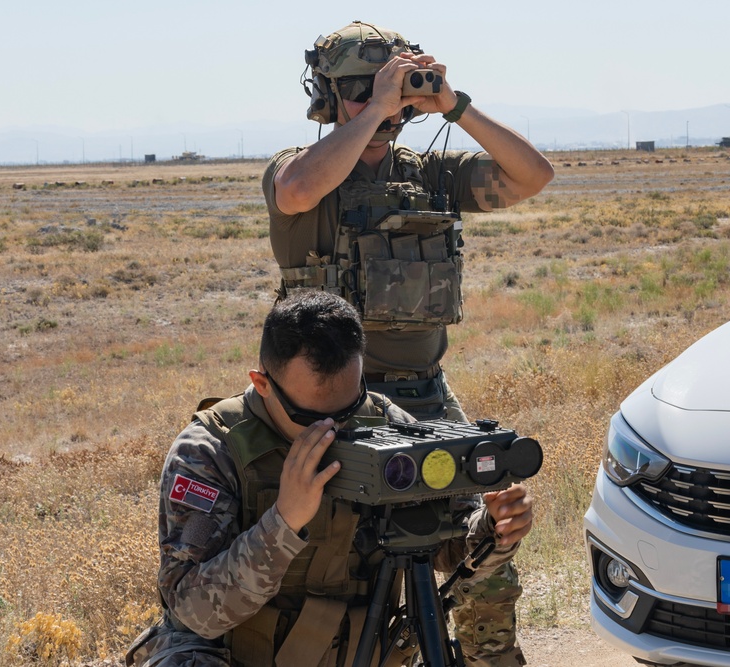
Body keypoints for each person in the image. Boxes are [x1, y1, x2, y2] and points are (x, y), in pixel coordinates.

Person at [262, 21, 553, 665]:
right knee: (332, 569)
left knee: (488, 544)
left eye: (391, 89)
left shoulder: (432, 175)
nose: (383, 104)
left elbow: (533, 175)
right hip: (332, 405)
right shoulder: (301, 170)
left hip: (425, 401)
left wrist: (456, 105)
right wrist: (374, 112)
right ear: (330, 95)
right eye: (362, 91)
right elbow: (298, 191)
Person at [126, 290, 534, 666]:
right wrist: (283, 522)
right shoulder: (209, 452)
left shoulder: (385, 422)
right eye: (310, 417)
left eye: (349, 406)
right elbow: (193, 611)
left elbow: (448, 550)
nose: (333, 428)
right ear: (262, 384)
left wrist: (495, 529)